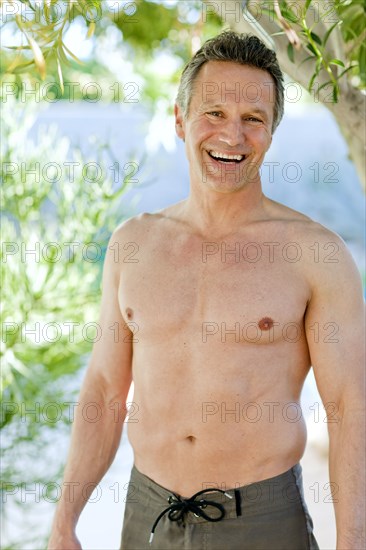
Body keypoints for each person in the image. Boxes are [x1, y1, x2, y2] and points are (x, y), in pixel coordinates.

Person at [48, 31, 365, 550]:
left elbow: (350, 408)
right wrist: (64, 522)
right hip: (147, 515)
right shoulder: (133, 244)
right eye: (213, 113)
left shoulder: (315, 255)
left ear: (271, 132)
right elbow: (105, 389)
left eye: (253, 119)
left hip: (262, 521)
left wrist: (352, 542)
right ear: (180, 120)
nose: (232, 136)